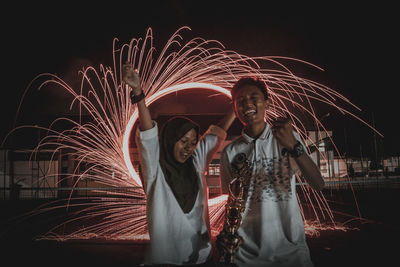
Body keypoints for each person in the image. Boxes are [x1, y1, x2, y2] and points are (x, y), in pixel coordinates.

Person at [122, 63, 236, 266]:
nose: (189, 148)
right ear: (170, 139)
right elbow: (147, 135)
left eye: (193, 143)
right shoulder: (155, 172)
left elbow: (215, 134)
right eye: (183, 141)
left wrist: (237, 108)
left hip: (203, 259)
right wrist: (138, 94)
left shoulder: (196, 164)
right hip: (166, 261)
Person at [219, 77, 325, 267]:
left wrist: (293, 146)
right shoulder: (231, 151)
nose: (247, 104)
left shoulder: (286, 136)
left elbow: (318, 183)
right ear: (235, 109)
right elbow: (232, 199)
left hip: (291, 252)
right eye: (240, 101)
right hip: (245, 255)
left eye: (254, 97)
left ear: (267, 102)